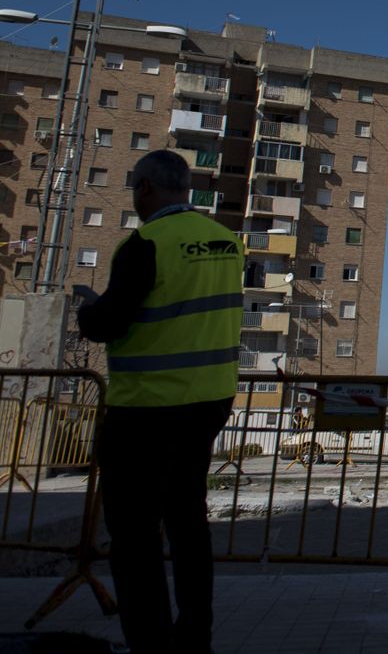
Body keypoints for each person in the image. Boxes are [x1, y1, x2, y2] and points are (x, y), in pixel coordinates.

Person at [75, 150, 244, 653]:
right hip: (208, 404)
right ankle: (195, 638)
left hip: (146, 408)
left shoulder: (145, 244)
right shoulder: (227, 242)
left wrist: (88, 310)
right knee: (189, 526)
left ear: (144, 189)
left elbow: (111, 323)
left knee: (134, 537)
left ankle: (150, 642)